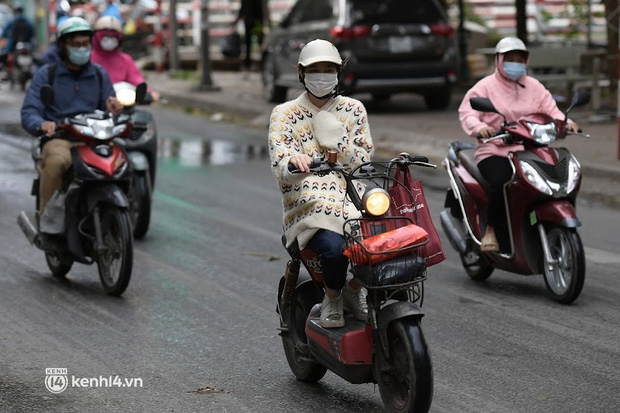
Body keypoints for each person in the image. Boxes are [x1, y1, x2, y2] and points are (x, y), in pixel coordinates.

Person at [268, 39, 374, 328]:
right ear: (302, 73)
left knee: (386, 240)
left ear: (339, 73)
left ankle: (354, 290)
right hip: (307, 203)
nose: (323, 75)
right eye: (316, 69)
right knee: (333, 248)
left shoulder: (354, 110)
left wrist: (336, 142)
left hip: (351, 195)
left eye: (329, 69)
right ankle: (333, 296)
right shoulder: (285, 113)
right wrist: (294, 162)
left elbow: (362, 158)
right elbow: (281, 161)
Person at [458, 37, 579, 253]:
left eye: (520, 60)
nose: (515, 64)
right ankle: (491, 231)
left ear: (527, 61)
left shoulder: (534, 86)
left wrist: (565, 122)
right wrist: (480, 127)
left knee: (558, 173)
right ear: (499, 60)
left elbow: (551, 109)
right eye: (510, 59)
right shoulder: (485, 87)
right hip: (495, 150)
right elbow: (467, 113)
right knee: (502, 181)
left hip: (530, 149)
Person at [21, 16, 123, 219]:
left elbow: (109, 102)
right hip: (61, 139)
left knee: (121, 162)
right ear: (63, 46)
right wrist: (42, 124)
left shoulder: (99, 74)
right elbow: (29, 111)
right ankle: (47, 221)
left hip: (94, 140)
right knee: (57, 162)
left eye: (85, 44)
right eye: (76, 45)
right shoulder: (46, 75)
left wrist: (114, 107)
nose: (81, 49)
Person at [90, 15, 159, 101]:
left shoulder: (125, 60)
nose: (110, 40)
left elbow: (136, 79)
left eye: (113, 37)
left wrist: (150, 92)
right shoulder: (88, 59)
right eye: (105, 36)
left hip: (121, 103)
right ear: (96, 37)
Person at [233, 0, 265, 69]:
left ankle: (249, 64)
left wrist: (237, 21)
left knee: (251, 44)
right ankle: (261, 62)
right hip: (255, 22)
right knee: (257, 43)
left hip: (251, 22)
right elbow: (260, 10)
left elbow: (242, 9)